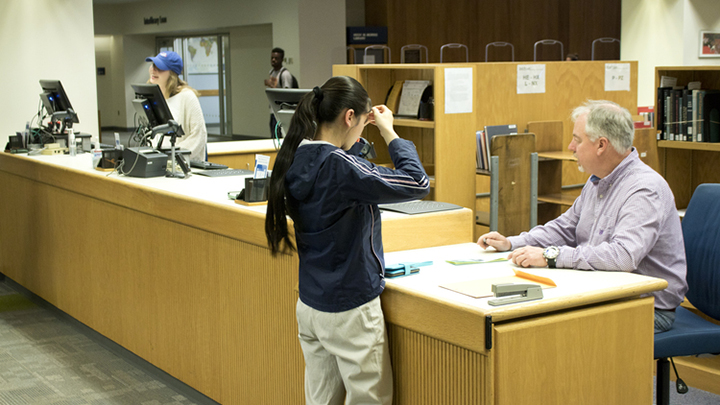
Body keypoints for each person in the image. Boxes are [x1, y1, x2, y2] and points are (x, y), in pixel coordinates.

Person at [265, 76, 430, 404]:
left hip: (311, 303)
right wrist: (389, 131)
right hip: (350, 306)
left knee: (321, 399)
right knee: (369, 399)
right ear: (349, 117)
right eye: (363, 124)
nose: (361, 135)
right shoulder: (340, 167)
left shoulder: (295, 157)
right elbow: (417, 182)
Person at [477, 100, 688, 334]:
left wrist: (551, 256)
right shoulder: (598, 180)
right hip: (607, 292)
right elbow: (564, 228)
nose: (571, 146)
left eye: (577, 140)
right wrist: (513, 243)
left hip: (646, 306)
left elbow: (623, 256)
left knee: (543, 328)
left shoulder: (644, 189)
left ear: (601, 145)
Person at [146, 51, 207, 161]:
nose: (153, 70)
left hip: (186, 164)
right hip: (162, 162)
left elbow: (199, 135)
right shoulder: (155, 98)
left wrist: (173, 157)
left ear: (172, 74)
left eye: (159, 67)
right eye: (153, 65)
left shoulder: (187, 97)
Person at [264, 47, 295, 137]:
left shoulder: (285, 74)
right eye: (272, 58)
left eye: (276, 58)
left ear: (281, 59)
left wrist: (273, 86)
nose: (273, 60)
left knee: (280, 135)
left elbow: (287, 93)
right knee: (273, 134)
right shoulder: (272, 72)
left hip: (282, 111)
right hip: (273, 110)